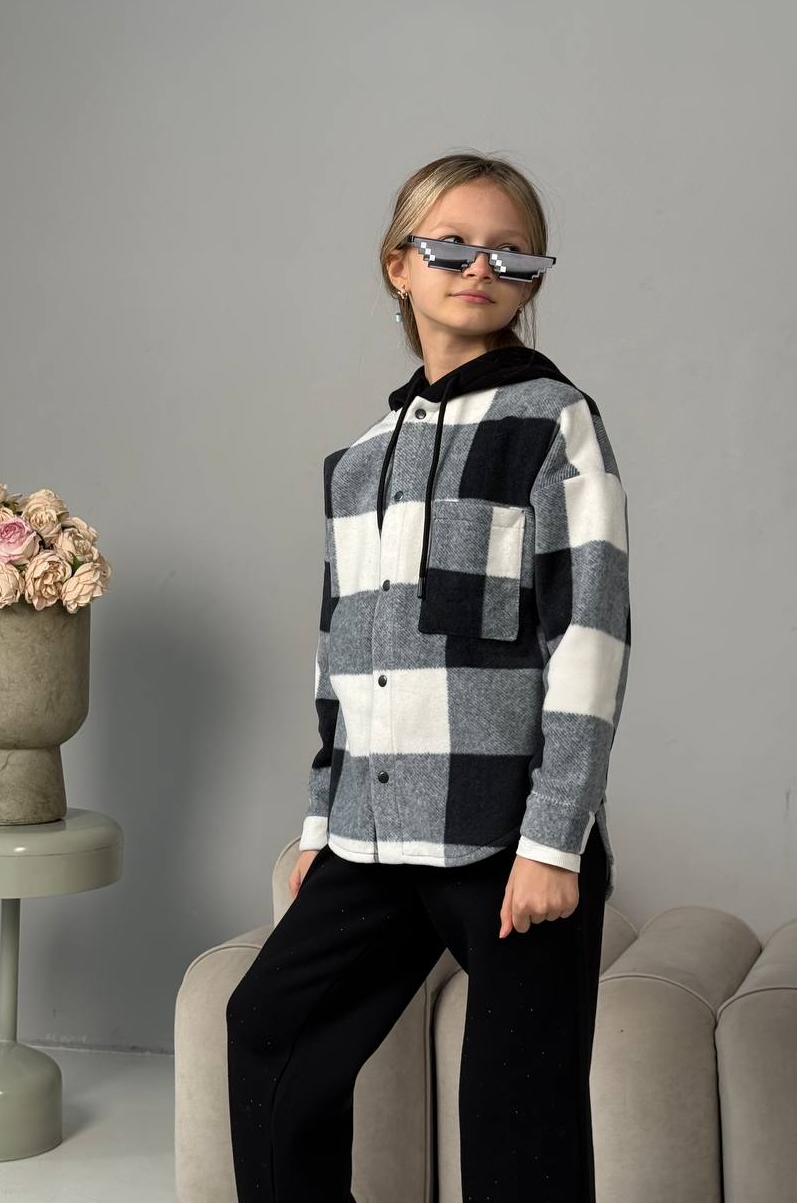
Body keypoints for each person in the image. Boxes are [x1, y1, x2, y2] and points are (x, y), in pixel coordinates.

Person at [226, 150, 632, 1202]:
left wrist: (554, 841)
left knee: (517, 1126)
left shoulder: (553, 421)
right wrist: (321, 823)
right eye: (451, 246)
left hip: (506, 843)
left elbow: (589, 637)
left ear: (533, 277)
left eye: (511, 252)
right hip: (371, 835)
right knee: (268, 1029)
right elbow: (340, 656)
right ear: (398, 265)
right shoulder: (358, 459)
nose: (480, 267)